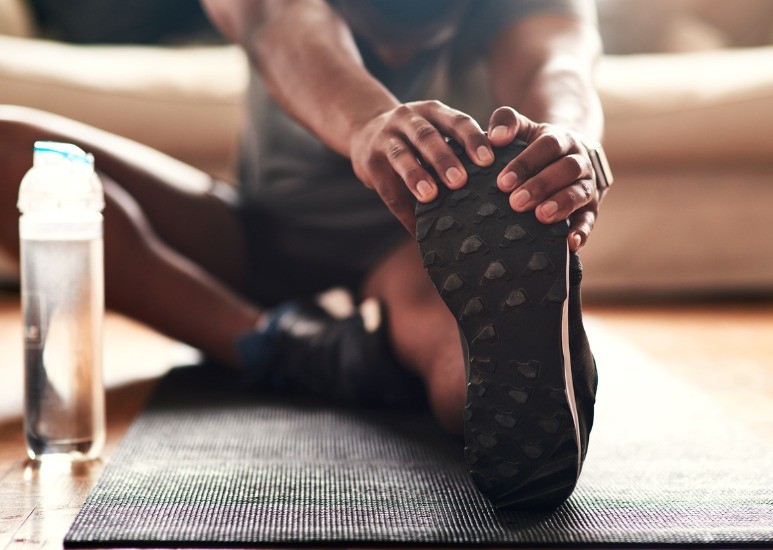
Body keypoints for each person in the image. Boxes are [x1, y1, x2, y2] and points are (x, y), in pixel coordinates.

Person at [0, 0, 609, 509]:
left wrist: (568, 141)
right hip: (255, 237)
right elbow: (279, 22)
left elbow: (555, 64)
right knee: (11, 153)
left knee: (472, 336)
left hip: (415, 250)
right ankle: (286, 345)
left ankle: (535, 371)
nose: (401, 53)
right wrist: (369, 121)